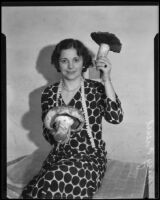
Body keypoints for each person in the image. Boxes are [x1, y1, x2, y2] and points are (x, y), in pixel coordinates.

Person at [20, 38, 124, 199]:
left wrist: (106, 79)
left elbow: (116, 118)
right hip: (58, 156)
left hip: (89, 158)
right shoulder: (49, 93)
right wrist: (56, 133)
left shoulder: (96, 89)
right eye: (64, 60)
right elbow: (47, 134)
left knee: (55, 179)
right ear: (57, 64)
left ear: (84, 62)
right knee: (37, 189)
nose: (70, 66)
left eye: (76, 59)